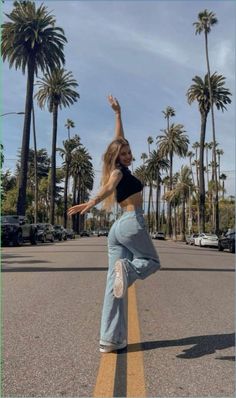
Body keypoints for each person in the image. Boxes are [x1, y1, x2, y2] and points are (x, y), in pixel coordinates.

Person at [67, 95, 161, 353]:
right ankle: (128, 271)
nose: (129, 156)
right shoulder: (118, 172)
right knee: (152, 262)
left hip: (117, 229)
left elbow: (118, 140)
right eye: (125, 153)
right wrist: (89, 204)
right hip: (131, 222)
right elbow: (108, 188)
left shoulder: (119, 166)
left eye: (130, 152)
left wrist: (118, 114)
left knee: (113, 285)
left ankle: (109, 339)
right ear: (117, 158)